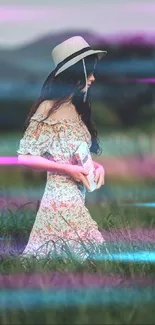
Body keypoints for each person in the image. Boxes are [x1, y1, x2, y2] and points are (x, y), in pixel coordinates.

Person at [17, 36, 108, 263]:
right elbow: (24, 158)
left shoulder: (77, 109)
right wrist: (66, 169)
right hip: (58, 197)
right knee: (88, 257)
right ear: (75, 74)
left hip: (78, 194)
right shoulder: (47, 109)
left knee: (68, 259)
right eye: (89, 73)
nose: (93, 78)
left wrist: (98, 166)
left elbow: (77, 154)